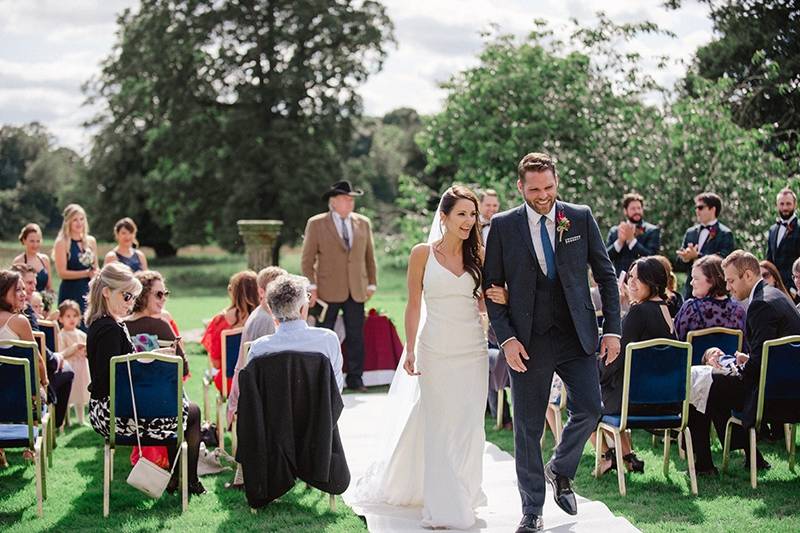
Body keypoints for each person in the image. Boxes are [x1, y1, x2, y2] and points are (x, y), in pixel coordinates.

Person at [353, 185, 506, 529]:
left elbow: (483, 302)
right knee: (439, 424)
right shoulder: (421, 253)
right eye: (462, 214)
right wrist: (410, 347)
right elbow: (413, 303)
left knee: (468, 425)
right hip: (435, 348)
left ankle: (465, 493)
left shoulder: (479, 254)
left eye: (473, 215)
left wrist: (499, 296)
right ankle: (442, 504)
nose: (469, 221)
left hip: (472, 350)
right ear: (445, 217)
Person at [483, 153, 621, 533]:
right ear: (520, 187)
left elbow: (607, 277)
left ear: (557, 181)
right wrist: (507, 339)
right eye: (534, 189)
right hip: (527, 342)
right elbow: (491, 289)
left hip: (577, 335)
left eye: (549, 187)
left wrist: (612, 329)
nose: (543, 196)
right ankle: (532, 510)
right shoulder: (503, 225)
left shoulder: (579, 216)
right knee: (527, 427)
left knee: (591, 408)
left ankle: (559, 468)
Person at [85, 263, 205, 495]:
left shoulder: (104, 324)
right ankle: (187, 481)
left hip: (111, 409)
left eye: (133, 297)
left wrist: (153, 356)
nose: (130, 302)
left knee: (177, 408)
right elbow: (111, 377)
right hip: (115, 414)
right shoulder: (110, 329)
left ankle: (176, 480)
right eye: (126, 295)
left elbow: (123, 364)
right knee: (190, 411)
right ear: (106, 292)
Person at [688, 250, 800, 474]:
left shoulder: (760, 305)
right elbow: (772, 355)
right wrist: (745, 361)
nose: (728, 287)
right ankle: (752, 458)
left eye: (730, 280)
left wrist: (736, 369)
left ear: (748, 275)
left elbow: (757, 369)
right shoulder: (777, 296)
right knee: (714, 386)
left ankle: (703, 465)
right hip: (790, 390)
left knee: (699, 381)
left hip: (770, 396)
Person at [596, 258, 675, 475]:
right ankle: (626, 456)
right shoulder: (665, 309)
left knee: (585, 402)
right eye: (630, 276)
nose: (631, 282)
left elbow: (615, 357)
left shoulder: (639, 312)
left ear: (653, 281)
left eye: (638, 278)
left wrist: (596, 374)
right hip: (665, 400)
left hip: (634, 401)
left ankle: (607, 457)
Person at [301, 180, 378, 392]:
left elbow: (369, 256)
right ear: (333, 202)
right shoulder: (316, 224)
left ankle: (355, 379)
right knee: (324, 334)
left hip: (357, 290)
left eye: (352, 199)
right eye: (346, 199)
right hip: (327, 291)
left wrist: (372, 283)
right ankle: (322, 378)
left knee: (356, 336)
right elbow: (307, 260)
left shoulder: (363, 223)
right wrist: (312, 286)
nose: (350, 203)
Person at [224, 265, 286, 490]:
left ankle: (244, 475)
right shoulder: (267, 321)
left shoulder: (263, 316)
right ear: (261, 292)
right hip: (256, 392)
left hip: (251, 389)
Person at [248, 274, 344, 390]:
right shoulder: (328, 340)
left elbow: (254, 394)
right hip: (318, 408)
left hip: (274, 408)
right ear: (303, 308)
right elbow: (336, 391)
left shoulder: (259, 348)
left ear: (272, 312)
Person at [11, 263, 76, 431]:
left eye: (32, 284)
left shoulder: (27, 310)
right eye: (26, 285)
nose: (31, 288)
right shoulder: (23, 315)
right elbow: (37, 347)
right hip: (29, 375)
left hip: (16, 371)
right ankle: (54, 425)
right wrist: (55, 358)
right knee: (67, 370)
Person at [0, 269, 48, 467]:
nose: (23, 293)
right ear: (3, 293)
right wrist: (45, 381)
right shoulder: (19, 322)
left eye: (23, 289)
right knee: (40, 394)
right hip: (21, 403)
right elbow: (36, 360)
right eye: (17, 290)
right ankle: (30, 446)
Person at [200, 270, 258, 393]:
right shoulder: (266, 320)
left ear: (234, 292)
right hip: (259, 382)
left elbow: (216, 364)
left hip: (230, 382)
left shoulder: (220, 321)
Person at [125, 270, 188, 378]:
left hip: (130, 392)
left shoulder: (120, 326)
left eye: (165, 294)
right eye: (159, 294)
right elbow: (183, 369)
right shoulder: (161, 326)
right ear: (142, 295)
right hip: (162, 392)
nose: (164, 299)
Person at [675, 192, 735, 298]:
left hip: (715, 291)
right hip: (691, 290)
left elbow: (724, 260)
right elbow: (679, 264)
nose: (697, 211)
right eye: (696, 208)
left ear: (713, 209)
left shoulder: (725, 233)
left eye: (701, 207)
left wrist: (697, 256)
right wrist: (685, 258)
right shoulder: (690, 232)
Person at [674, 255, 746, 341]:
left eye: (695, 278)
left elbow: (676, 343)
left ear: (712, 281)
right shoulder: (739, 311)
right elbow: (744, 348)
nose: (691, 283)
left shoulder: (691, 308)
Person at [53, 204, 98, 317]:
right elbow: (62, 273)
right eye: (75, 220)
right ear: (68, 221)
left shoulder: (91, 241)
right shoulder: (62, 242)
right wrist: (86, 273)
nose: (79, 223)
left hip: (89, 291)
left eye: (82, 219)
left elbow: (96, 267)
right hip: (71, 290)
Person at [606, 193, 661, 276]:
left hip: (643, 280)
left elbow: (652, 258)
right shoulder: (615, 231)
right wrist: (619, 242)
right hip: (619, 281)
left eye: (639, 208)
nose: (637, 211)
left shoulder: (652, 231)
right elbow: (605, 258)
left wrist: (632, 241)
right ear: (625, 211)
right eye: (633, 209)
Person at [58, 300, 89, 424]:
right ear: (61, 319)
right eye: (68, 316)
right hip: (70, 366)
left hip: (81, 367)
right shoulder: (62, 335)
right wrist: (74, 348)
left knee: (80, 394)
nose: (72, 319)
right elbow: (61, 352)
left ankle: (81, 419)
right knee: (69, 394)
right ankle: (66, 420)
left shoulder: (82, 334)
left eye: (75, 316)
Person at [766, 188, 800, 293]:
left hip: (794, 288)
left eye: (788, 204)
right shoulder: (772, 230)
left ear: (795, 205)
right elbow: (769, 260)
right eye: (781, 204)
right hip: (775, 288)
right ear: (777, 205)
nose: (785, 207)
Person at [12, 223, 52, 293]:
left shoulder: (45, 259)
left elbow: (49, 287)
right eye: (32, 241)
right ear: (24, 240)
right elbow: (14, 288)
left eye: (38, 241)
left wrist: (48, 299)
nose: (35, 245)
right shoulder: (18, 261)